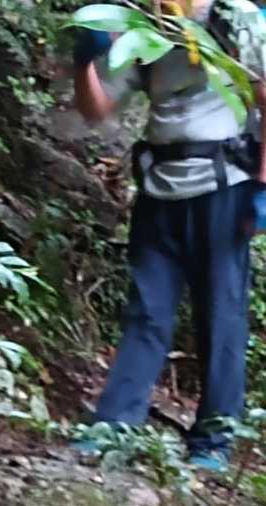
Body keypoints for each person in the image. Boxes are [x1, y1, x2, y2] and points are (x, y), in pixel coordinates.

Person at [71, 1, 266, 470]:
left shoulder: (235, 18)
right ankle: (114, 423)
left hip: (224, 189)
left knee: (221, 316)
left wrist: (263, 187)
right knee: (146, 312)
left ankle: (214, 440)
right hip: (160, 191)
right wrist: (84, 61)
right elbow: (98, 108)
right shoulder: (146, 25)